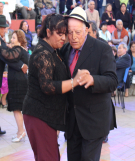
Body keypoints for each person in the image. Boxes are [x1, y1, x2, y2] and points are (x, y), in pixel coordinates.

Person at [23, 14, 83, 160]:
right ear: (48, 32)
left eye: (65, 34)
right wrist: (75, 81)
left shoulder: (53, 50)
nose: (63, 38)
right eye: (59, 34)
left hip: (46, 117)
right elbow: (48, 86)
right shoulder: (42, 53)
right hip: (39, 116)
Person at [60, 7, 117, 161]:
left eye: (77, 32)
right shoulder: (65, 49)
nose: (73, 37)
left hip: (94, 120)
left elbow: (112, 81)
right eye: (69, 32)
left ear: (86, 29)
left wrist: (93, 80)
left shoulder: (102, 48)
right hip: (72, 121)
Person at [0, 29, 29, 142]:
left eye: (14, 38)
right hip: (17, 81)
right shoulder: (20, 49)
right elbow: (11, 60)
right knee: (17, 108)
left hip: (19, 82)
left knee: (17, 108)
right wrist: (21, 65)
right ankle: (20, 131)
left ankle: (21, 132)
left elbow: (8, 56)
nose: (11, 40)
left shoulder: (18, 49)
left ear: (19, 39)